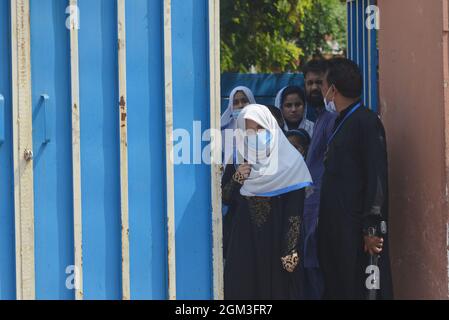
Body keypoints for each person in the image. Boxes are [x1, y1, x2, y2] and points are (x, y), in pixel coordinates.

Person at [317, 58, 393, 300]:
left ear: (333, 89)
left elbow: (376, 177)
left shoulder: (366, 122)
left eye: (323, 84)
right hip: (337, 230)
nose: (322, 91)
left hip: (358, 234)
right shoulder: (342, 121)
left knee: (364, 290)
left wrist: (372, 227)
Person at [223, 104, 312, 300]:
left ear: (271, 127)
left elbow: (294, 211)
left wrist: (289, 250)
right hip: (244, 241)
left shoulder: (291, 161)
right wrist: (237, 179)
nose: (254, 134)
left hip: (276, 240)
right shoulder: (238, 157)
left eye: (260, 128)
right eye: (249, 130)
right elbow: (226, 198)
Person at [301, 59, 338, 300]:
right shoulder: (319, 118)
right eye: (310, 83)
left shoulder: (332, 118)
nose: (314, 88)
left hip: (322, 210)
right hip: (310, 208)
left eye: (319, 83)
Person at [221, 86, 256, 165]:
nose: (241, 105)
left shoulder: (261, 127)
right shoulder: (223, 132)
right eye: (236, 103)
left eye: (244, 101)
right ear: (231, 107)